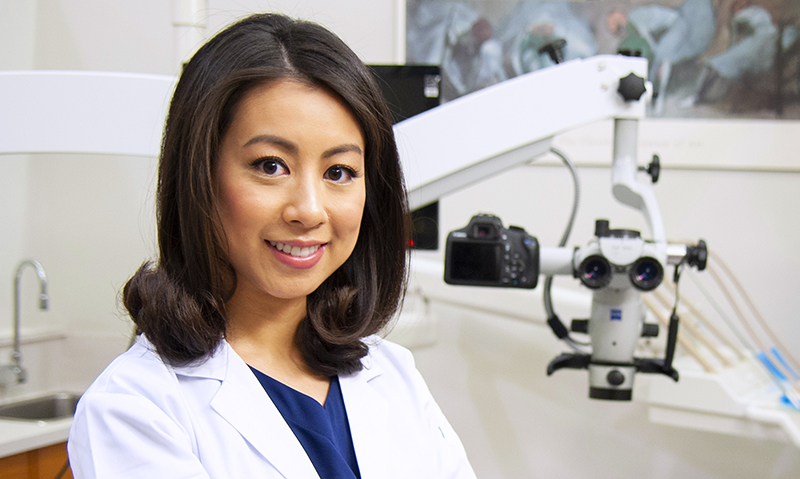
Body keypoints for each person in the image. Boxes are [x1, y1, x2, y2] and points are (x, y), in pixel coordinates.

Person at [67, 13, 476, 479]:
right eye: (270, 165)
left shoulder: (391, 373)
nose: (309, 209)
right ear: (199, 176)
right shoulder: (134, 410)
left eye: (338, 172)